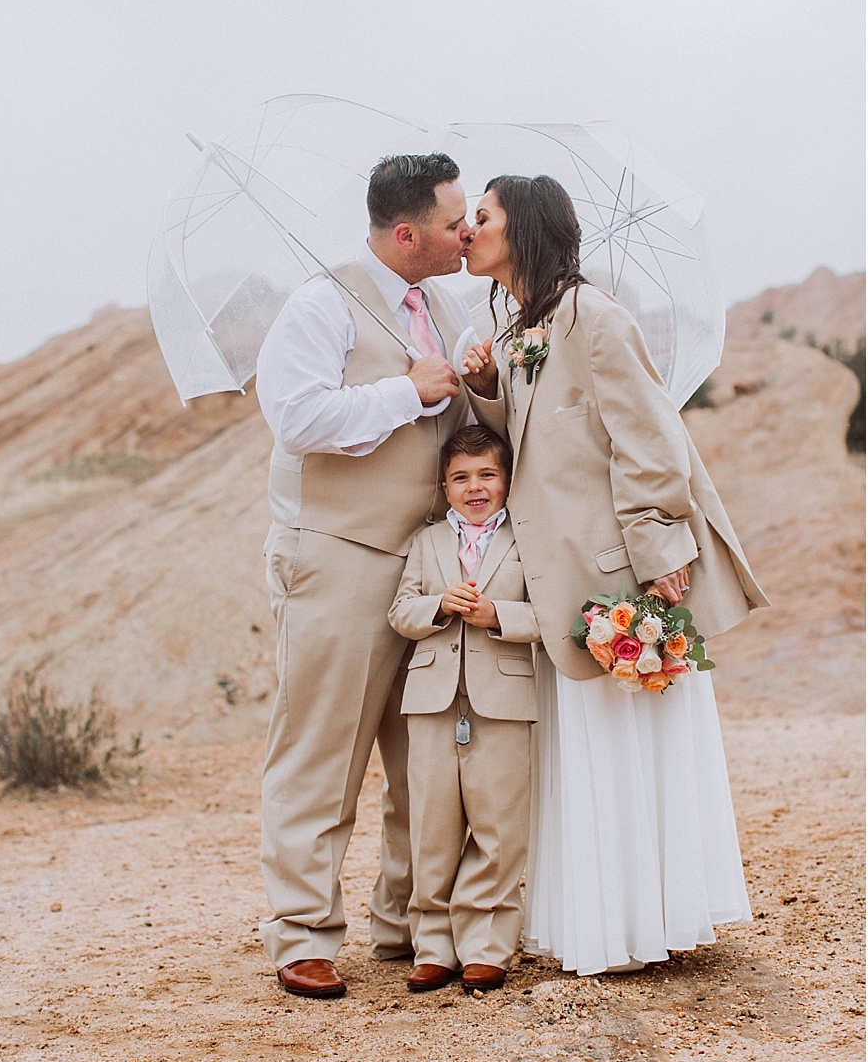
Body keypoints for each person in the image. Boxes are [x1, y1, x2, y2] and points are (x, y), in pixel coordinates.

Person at [458, 173, 767, 976]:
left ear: (520, 230)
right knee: (585, 754)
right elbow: (529, 444)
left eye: (481, 218)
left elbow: (649, 439)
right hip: (558, 572)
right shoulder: (520, 325)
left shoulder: (595, 317)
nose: (467, 229)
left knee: (629, 747)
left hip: (615, 573)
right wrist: (488, 389)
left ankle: (648, 922)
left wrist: (660, 542)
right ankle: (601, 922)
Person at [254, 151, 476, 999]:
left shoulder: (448, 306)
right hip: (340, 556)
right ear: (410, 232)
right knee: (323, 750)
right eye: (456, 223)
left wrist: (472, 389)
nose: (467, 234)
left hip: (428, 566)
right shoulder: (320, 306)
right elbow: (301, 418)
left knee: (426, 755)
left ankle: (405, 922)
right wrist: (407, 391)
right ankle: (303, 934)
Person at [388, 424, 538, 994]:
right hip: (432, 699)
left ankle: (488, 944)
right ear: (444, 486)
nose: (475, 488)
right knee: (432, 823)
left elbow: (549, 614)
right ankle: (433, 944)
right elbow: (400, 610)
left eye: (486, 476)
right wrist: (438, 605)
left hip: (501, 699)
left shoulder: (526, 539)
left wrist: (498, 615)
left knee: (498, 824)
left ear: (505, 480)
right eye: (461, 478)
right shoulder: (427, 542)